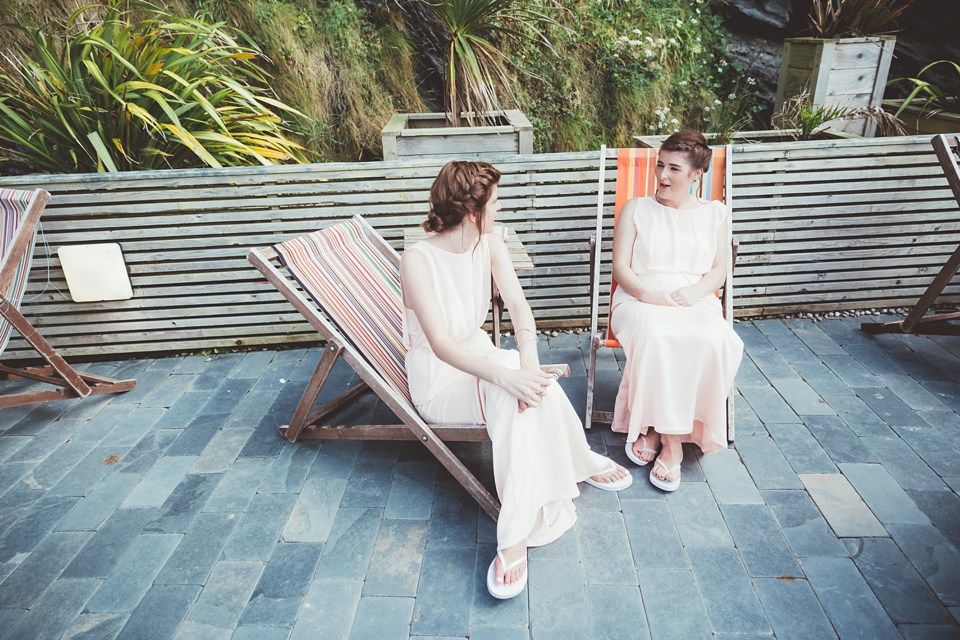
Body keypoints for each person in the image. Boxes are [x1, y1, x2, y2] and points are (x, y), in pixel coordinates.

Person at [401, 160, 632, 600]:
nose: (500, 206)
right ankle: (514, 536)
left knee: (524, 380)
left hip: (481, 357)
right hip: (440, 378)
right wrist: (509, 378)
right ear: (472, 210)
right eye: (495, 201)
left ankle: (576, 459)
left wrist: (526, 366)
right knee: (508, 385)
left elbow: (521, 311)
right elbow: (443, 344)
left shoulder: (490, 241)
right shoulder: (418, 259)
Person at [610, 130, 743, 492]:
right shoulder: (635, 209)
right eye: (659, 166)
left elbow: (718, 269)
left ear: (696, 175)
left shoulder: (716, 213)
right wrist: (647, 294)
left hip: (693, 296)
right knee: (656, 335)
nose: (663, 176)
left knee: (718, 340)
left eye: (674, 169)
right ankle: (672, 445)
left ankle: (653, 427)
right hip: (639, 296)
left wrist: (696, 291)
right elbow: (620, 268)